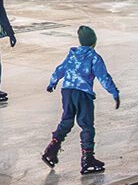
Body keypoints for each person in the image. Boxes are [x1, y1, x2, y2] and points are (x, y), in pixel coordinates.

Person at [42, 26, 120, 175]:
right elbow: (104, 77)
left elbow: (60, 69)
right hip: (83, 94)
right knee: (87, 125)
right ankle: (87, 159)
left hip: (67, 91)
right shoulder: (94, 57)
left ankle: (51, 150)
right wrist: (114, 92)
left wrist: (52, 82)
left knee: (67, 121)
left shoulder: (72, 54)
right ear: (94, 42)